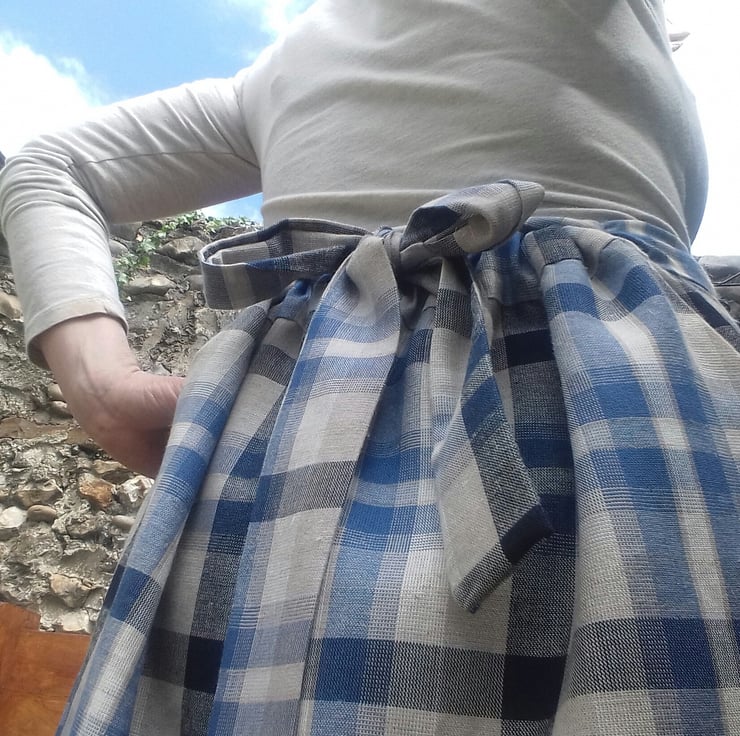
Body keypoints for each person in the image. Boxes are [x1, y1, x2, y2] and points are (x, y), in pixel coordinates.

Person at [1, 1, 739, 734]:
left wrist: (101, 387)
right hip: (618, 404)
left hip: (296, 443)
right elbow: (47, 168)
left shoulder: (274, 76)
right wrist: (105, 392)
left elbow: (50, 165)